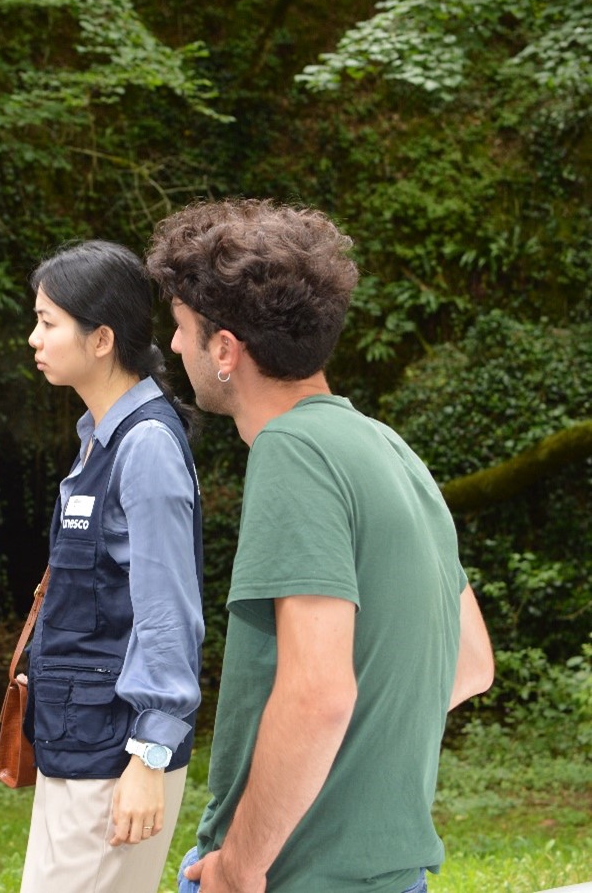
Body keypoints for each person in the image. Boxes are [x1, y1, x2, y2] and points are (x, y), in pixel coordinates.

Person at [143, 199, 496, 893]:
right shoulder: (390, 449)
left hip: (296, 876)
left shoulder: (292, 451)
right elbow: (470, 663)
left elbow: (318, 692)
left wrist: (239, 866)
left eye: (182, 329)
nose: (176, 347)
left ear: (224, 350)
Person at [20, 240, 206, 893]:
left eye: (48, 322)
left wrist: (148, 759)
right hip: (78, 744)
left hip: (116, 755)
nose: (33, 338)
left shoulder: (146, 446)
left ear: (101, 339)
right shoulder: (98, 437)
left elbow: (167, 611)